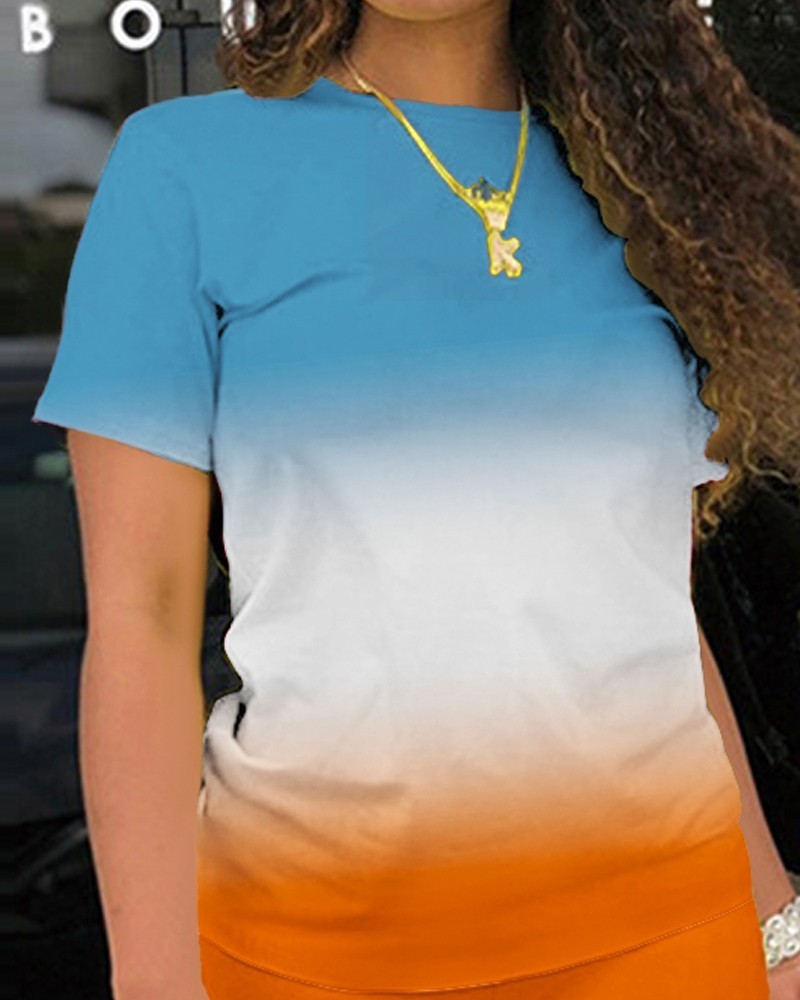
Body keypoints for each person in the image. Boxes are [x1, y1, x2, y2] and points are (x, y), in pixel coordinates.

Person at [31, 0, 800, 998]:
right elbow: (142, 619)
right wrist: (156, 978)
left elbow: (643, 598)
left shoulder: (647, 180)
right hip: (314, 950)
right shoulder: (185, 169)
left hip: (675, 938)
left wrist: (773, 926)